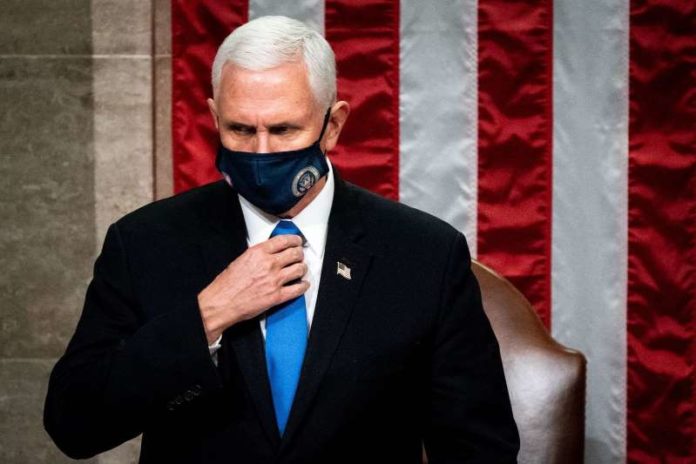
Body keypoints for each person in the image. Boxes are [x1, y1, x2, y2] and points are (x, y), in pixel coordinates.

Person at [44, 15, 519, 463]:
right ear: (214, 117)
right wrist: (207, 316)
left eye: (283, 129)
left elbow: (479, 447)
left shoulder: (424, 254)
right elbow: (74, 424)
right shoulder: (145, 243)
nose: (261, 151)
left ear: (333, 125)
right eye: (240, 129)